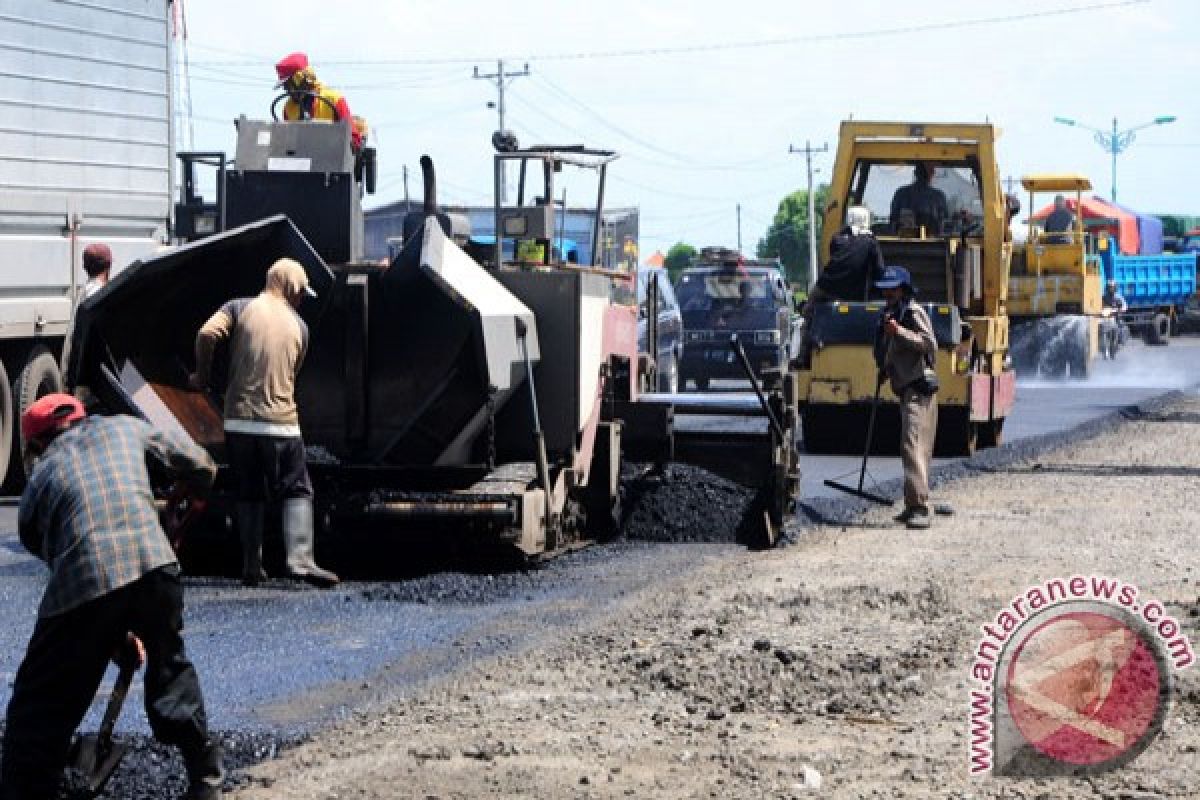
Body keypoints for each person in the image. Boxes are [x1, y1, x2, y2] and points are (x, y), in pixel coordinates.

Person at [0, 394, 223, 800]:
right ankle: (205, 775)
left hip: (87, 582)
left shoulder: (39, 481)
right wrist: (189, 493)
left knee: (38, 699)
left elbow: (71, 569)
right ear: (84, 417)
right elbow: (201, 464)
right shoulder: (125, 427)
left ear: (35, 446)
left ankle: (27, 787)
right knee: (170, 667)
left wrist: (109, 631)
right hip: (156, 565)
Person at [190, 258, 339, 588]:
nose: (301, 299)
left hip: (239, 424)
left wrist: (202, 377)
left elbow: (206, 333)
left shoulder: (239, 307)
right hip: (281, 425)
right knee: (297, 487)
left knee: (250, 491)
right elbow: (292, 376)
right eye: (301, 293)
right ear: (291, 288)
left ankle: (252, 566)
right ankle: (299, 561)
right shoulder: (301, 327)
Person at [873, 266, 938, 530]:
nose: (888, 293)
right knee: (912, 448)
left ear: (904, 289)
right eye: (885, 289)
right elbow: (892, 351)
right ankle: (913, 503)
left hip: (918, 389)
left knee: (913, 447)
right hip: (905, 388)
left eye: (893, 288)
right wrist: (886, 371)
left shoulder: (912, 312)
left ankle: (920, 507)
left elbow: (928, 344)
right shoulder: (891, 314)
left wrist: (898, 331)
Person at [796, 206, 884, 366]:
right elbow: (879, 271)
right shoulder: (871, 243)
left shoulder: (837, 238)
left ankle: (804, 355)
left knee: (808, 312)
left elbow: (836, 257)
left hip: (826, 285)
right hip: (852, 292)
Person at [274, 52, 362, 152]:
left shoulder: (334, 99)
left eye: (287, 84)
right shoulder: (288, 108)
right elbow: (288, 142)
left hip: (331, 160)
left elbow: (354, 139)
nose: (285, 89)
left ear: (299, 79)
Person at [890, 163, 948, 235]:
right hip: (933, 243)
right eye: (932, 171)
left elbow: (893, 221)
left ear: (915, 173)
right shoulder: (939, 196)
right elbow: (942, 224)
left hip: (902, 242)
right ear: (932, 174)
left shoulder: (900, 193)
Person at [1100, 279, 1128, 359]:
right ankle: (1104, 351)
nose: (1111, 289)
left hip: (1116, 318)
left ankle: (1116, 347)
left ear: (1115, 288)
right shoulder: (1103, 297)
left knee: (1120, 330)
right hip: (1105, 319)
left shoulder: (1118, 297)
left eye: (1112, 287)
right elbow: (1099, 306)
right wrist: (1103, 310)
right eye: (1109, 287)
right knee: (1101, 332)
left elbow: (1125, 306)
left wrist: (1118, 310)